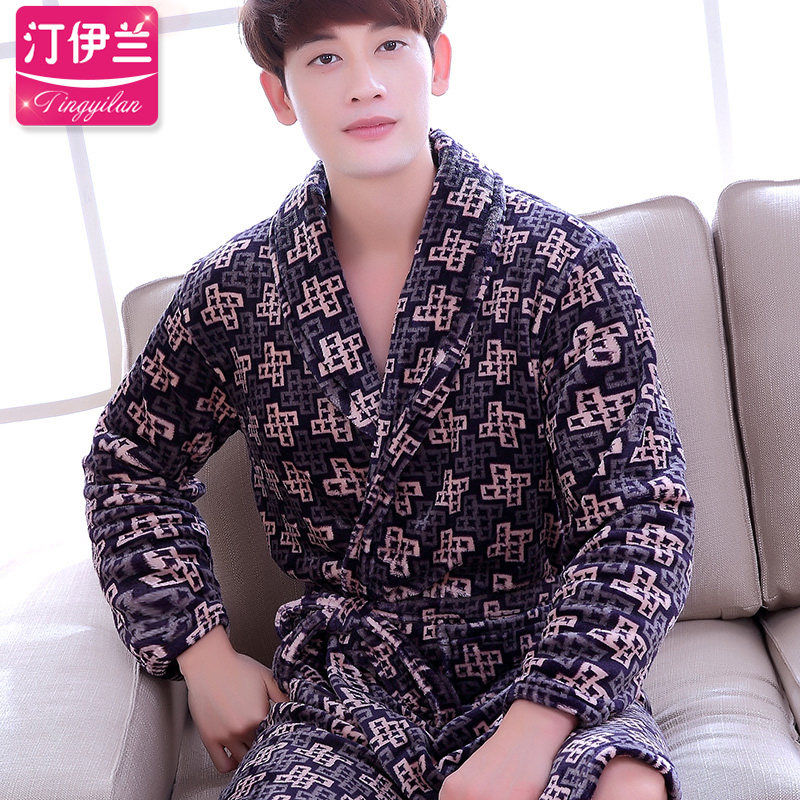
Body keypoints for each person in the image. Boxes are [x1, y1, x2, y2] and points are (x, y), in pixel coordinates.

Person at [83, 1, 695, 798]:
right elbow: (128, 463)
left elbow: (642, 515)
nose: (364, 84)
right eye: (325, 59)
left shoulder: (565, 266)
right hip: (347, 691)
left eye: (391, 46)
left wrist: (530, 736)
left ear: (437, 64)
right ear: (279, 95)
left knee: (626, 789)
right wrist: (201, 652)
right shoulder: (239, 290)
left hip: (546, 666)